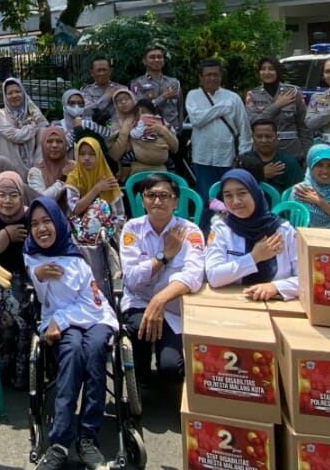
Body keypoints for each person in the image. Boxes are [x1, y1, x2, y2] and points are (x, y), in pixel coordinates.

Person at [26, 195, 116, 470]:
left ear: (59, 223)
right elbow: (42, 299)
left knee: (93, 351)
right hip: (60, 323)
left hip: (94, 318)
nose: (41, 229)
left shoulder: (76, 258)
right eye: (35, 224)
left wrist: (60, 321)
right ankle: (60, 443)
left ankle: (88, 438)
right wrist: (36, 275)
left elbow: (91, 305)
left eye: (47, 221)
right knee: (72, 353)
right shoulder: (31, 255)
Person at [118, 172, 205, 378]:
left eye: (164, 196)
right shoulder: (132, 229)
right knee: (140, 331)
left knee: (170, 369)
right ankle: (142, 373)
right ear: (143, 201)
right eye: (151, 195)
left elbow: (194, 275)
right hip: (140, 302)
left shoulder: (190, 231)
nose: (157, 201)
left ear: (175, 201)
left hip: (174, 309)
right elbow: (131, 278)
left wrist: (160, 299)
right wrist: (163, 255)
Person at [204, 169, 299, 301]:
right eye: (228, 196)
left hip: (278, 304)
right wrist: (254, 257)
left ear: (255, 194)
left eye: (242, 193)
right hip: (233, 303)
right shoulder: (221, 229)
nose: (236, 201)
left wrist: (276, 287)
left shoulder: (283, 230)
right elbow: (213, 276)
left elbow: (306, 279)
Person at [0, 171, 34, 389]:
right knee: (2, 309)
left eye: (13, 195)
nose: (7, 200)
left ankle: (23, 374)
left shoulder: (30, 216)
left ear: (22, 196)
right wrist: (7, 235)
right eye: (1, 194)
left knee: (23, 306)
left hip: (26, 278)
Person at [185, 59, 251, 195]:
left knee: (229, 196)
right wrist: (222, 108)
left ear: (221, 76)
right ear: (201, 77)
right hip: (202, 158)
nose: (212, 78)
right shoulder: (193, 96)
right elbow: (197, 120)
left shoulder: (233, 98)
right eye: (208, 75)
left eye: (215, 74)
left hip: (228, 158)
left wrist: (243, 156)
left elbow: (244, 130)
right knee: (206, 199)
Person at [63, 137, 125, 246]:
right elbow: (75, 209)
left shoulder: (107, 178)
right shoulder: (73, 178)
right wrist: (97, 188)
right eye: (82, 154)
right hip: (78, 230)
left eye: (92, 154)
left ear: (99, 155)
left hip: (107, 231)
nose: (87, 158)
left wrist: (107, 233)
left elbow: (119, 217)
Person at [244, 55, 307, 159]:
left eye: (271, 69)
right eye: (263, 69)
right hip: (263, 152)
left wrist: (307, 153)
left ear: (278, 71)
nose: (267, 72)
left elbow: (304, 126)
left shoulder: (293, 92)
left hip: (291, 151)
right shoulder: (253, 95)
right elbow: (253, 121)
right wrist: (277, 105)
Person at [109, 97, 179, 180]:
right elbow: (115, 155)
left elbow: (175, 147)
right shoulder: (116, 125)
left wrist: (163, 131)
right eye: (119, 101)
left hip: (160, 170)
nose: (123, 102)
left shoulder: (147, 121)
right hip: (136, 174)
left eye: (126, 99)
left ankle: (172, 181)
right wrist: (124, 132)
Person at [0, 76, 47, 169]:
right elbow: (16, 136)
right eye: (10, 93)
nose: (14, 96)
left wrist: (36, 167)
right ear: (5, 96)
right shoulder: (0, 114)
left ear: (23, 93)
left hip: (31, 169)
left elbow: (42, 137)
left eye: (18, 92)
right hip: (8, 169)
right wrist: (34, 124)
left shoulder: (32, 112)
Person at [130, 44, 184, 133]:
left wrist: (180, 129)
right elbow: (138, 110)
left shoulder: (174, 82)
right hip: (148, 132)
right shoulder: (137, 84)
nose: (156, 60)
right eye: (152, 57)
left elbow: (180, 107)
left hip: (172, 132)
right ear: (144, 61)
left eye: (159, 57)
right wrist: (162, 97)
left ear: (164, 60)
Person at [237, 119, 302, 192]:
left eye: (268, 136)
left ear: (277, 137)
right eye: (259, 137)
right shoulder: (244, 162)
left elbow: (296, 192)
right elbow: (237, 187)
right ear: (253, 137)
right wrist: (261, 175)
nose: (264, 141)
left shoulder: (289, 162)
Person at [28, 125, 73, 198]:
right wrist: (63, 178)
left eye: (59, 141)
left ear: (65, 145)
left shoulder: (74, 167)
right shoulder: (35, 172)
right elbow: (41, 199)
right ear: (43, 145)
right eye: (50, 141)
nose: (54, 145)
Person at [80, 56, 115, 121]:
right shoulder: (86, 91)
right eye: (98, 70)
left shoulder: (121, 89)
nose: (102, 73)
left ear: (110, 71)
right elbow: (87, 111)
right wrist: (107, 97)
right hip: (94, 128)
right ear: (92, 72)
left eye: (104, 70)